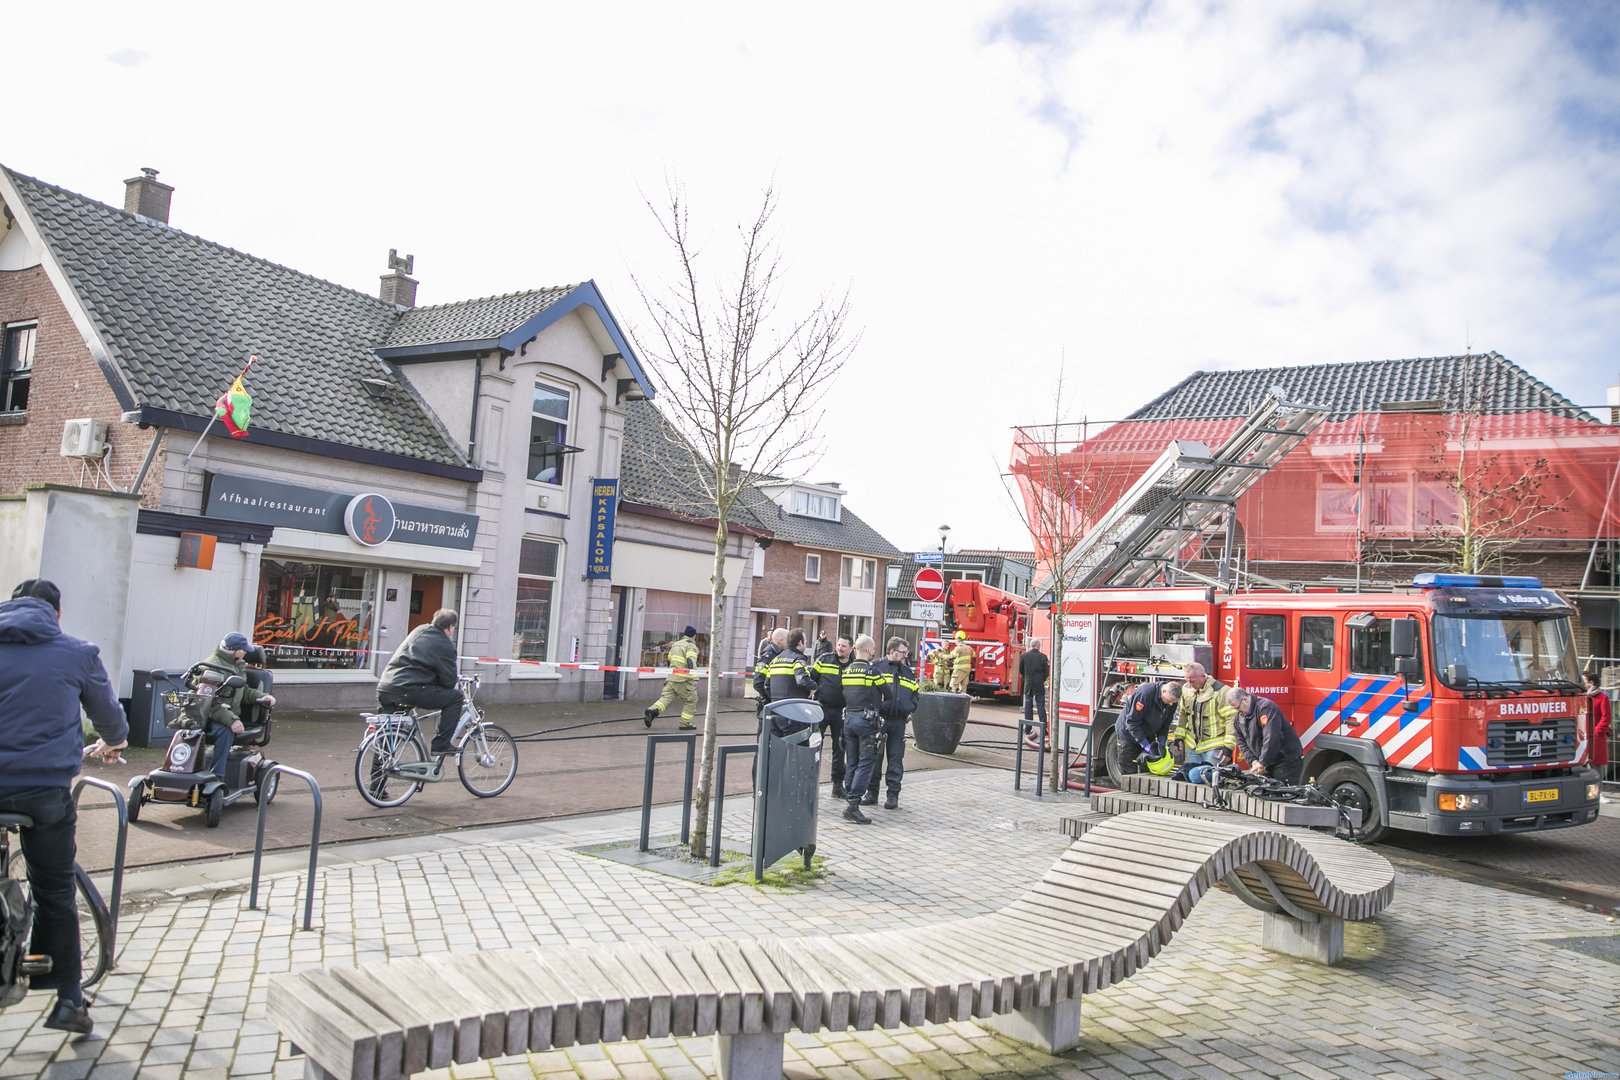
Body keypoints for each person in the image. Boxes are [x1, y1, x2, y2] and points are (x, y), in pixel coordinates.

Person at [0, 579, 128, 1035]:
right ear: (57, 614)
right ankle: (68, 1000)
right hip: (43, 791)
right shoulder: (78, 652)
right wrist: (114, 741)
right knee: (54, 891)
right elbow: (109, 717)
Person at [377, 608, 464, 754]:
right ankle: (441, 745)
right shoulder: (446, 645)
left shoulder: (419, 630)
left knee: (388, 735)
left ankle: (378, 774)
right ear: (450, 627)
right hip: (409, 689)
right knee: (456, 698)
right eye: (453, 627)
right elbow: (448, 682)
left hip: (386, 686)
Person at [194, 632, 278, 778]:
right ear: (237, 652)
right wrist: (232, 720)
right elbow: (206, 701)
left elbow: (243, 691)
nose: (246, 653)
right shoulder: (213, 668)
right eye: (244, 650)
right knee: (225, 731)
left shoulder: (236, 665)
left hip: (223, 714)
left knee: (226, 728)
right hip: (207, 717)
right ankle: (216, 777)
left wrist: (263, 696)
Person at [838, 635, 893, 824]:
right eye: (874, 648)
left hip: (849, 720)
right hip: (866, 722)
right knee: (866, 763)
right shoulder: (872, 672)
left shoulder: (847, 671)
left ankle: (849, 799)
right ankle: (853, 805)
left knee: (851, 762)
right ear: (869, 650)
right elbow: (889, 693)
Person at [867, 637, 920, 809]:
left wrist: (910, 707)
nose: (906, 656)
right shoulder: (876, 667)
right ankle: (872, 793)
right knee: (875, 759)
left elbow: (915, 694)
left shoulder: (907, 671)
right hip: (879, 720)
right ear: (892, 651)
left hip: (898, 722)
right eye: (903, 652)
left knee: (896, 759)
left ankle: (892, 796)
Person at [1170, 662, 1234, 784]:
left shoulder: (1221, 691)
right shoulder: (1186, 689)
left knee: (1209, 781)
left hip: (1214, 747)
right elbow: (1183, 714)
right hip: (1192, 745)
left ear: (1203, 676)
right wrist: (1179, 737)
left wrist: (1228, 747)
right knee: (1191, 780)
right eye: (1187, 680)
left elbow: (1232, 719)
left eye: (1192, 681)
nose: (1189, 684)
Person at [1227, 685, 1304, 784]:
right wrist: (1253, 761)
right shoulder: (1240, 717)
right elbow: (1240, 741)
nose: (1237, 712)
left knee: (1284, 794)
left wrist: (1262, 762)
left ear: (1244, 699)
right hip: (1265, 762)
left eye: (1237, 708)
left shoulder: (1266, 708)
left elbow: (1271, 737)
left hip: (1285, 760)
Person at [813, 636, 852, 798]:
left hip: (841, 712)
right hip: (821, 708)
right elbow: (811, 679)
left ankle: (837, 785)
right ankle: (812, 783)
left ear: (851, 649)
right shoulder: (824, 659)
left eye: (844, 646)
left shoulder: (854, 665)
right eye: (838, 644)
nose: (840, 648)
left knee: (840, 748)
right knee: (815, 746)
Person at [1117, 680, 1181, 772]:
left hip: (1148, 733)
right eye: (1168, 700)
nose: (1170, 704)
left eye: (1173, 702)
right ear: (1163, 691)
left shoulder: (1171, 702)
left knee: (1148, 768)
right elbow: (1132, 722)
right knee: (1129, 769)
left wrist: (1162, 742)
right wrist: (1145, 744)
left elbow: (1165, 724)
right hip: (1128, 734)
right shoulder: (1145, 694)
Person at [645, 626, 700, 730]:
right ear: (694, 636)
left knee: (665, 698)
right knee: (691, 700)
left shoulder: (675, 645)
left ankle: (651, 711)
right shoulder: (691, 646)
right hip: (683, 680)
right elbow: (691, 662)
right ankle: (685, 723)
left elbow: (669, 660)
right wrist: (695, 677)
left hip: (671, 678)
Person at [765, 629, 816, 711]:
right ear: (800, 643)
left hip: (776, 709)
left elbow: (766, 685)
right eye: (805, 642)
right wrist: (814, 686)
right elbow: (801, 679)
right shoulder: (797, 659)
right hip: (794, 710)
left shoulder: (774, 660)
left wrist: (775, 699)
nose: (806, 645)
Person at [1019, 639, 1050, 747]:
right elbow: (1047, 672)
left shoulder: (1024, 656)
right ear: (1039, 646)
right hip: (1039, 684)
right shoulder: (1043, 657)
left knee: (1028, 705)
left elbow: (1021, 670)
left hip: (1028, 683)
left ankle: (1028, 728)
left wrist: (1028, 677)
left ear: (1031, 646)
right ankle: (1044, 728)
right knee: (1041, 705)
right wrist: (1041, 679)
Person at [1584, 670, 1611, 794]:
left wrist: (1596, 732)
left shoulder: (1602, 698)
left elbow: (1606, 718)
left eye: (1583, 681)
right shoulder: (1582, 696)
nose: (1581, 684)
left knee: (1596, 768)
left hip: (1595, 738)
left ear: (1591, 683)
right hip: (1582, 737)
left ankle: (1596, 794)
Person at [753, 628, 787, 718]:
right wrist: (772, 697)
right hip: (767, 704)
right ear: (780, 641)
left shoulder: (780, 655)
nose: (789, 643)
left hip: (776, 705)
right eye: (787, 640)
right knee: (764, 731)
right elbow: (758, 683)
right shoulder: (768, 656)